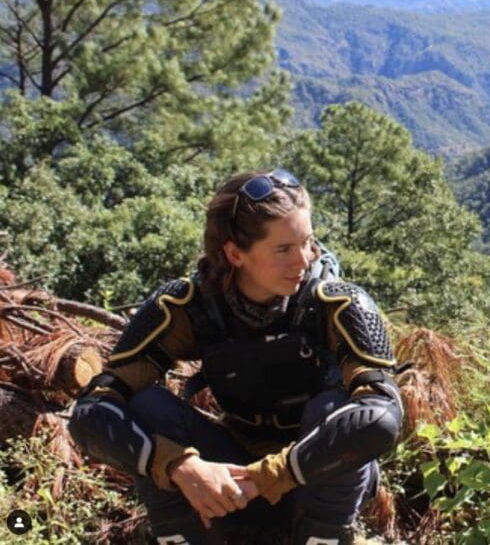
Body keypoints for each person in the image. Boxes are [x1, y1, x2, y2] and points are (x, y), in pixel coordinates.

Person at [68, 170, 404, 545]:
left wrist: (273, 474)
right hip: (225, 480)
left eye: (308, 242)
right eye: (283, 250)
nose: (304, 260)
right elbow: (91, 414)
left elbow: (381, 417)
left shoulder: (338, 304)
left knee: (335, 407)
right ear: (235, 254)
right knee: (148, 405)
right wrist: (181, 465)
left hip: (316, 481)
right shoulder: (186, 306)